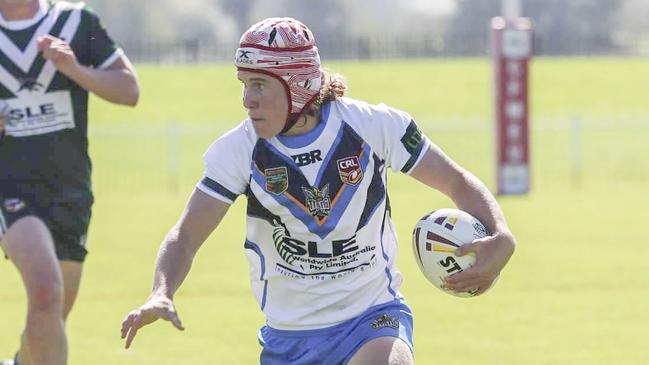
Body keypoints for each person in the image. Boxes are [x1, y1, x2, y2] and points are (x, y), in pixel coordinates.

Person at [120, 17, 514, 365]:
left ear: (298, 85)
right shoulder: (238, 150)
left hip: (373, 316)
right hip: (288, 338)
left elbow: (456, 182)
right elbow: (186, 234)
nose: (246, 100)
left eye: (259, 85)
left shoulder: (375, 126)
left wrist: (501, 233)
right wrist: (161, 292)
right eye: (243, 84)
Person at [0, 0, 139, 364]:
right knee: (46, 292)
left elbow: (129, 91)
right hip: (10, 188)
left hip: (70, 191)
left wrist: (74, 69)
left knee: (50, 315)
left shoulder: (75, 21)